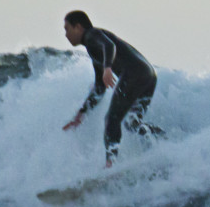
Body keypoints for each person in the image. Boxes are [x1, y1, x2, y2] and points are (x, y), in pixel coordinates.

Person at [61, 10, 163, 165]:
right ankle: (164, 139)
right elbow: (100, 88)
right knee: (131, 123)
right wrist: (81, 114)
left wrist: (107, 68)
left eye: (67, 29)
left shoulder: (92, 35)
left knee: (112, 119)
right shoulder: (94, 49)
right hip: (148, 75)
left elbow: (110, 46)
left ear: (78, 27)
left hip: (134, 74)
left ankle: (110, 163)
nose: (66, 34)